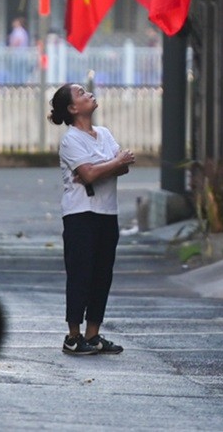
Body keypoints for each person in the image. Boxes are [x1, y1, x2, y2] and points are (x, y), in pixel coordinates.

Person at [49, 83, 135, 356]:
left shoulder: (105, 134)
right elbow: (90, 174)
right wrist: (107, 165)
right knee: (80, 274)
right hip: (80, 214)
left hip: (107, 212)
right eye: (81, 94)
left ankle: (93, 334)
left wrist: (100, 169)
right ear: (73, 109)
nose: (88, 94)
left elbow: (123, 166)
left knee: (102, 275)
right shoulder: (71, 139)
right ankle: (73, 336)